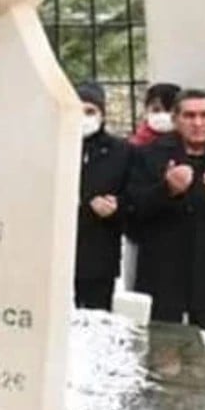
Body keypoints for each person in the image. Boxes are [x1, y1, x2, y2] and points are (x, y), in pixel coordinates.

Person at [128, 88, 205, 356]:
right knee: (160, 358)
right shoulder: (150, 154)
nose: (198, 123)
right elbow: (133, 211)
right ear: (176, 119)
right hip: (163, 275)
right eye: (190, 115)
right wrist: (167, 190)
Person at [73, 82, 131, 311]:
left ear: (102, 114)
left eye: (90, 111)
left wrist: (117, 207)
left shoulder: (121, 151)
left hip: (98, 253)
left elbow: (133, 198)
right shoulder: (54, 144)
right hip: (57, 251)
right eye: (78, 110)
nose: (84, 118)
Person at [129, 82, 180, 146]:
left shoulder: (191, 143)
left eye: (170, 111)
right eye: (156, 110)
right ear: (146, 110)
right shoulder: (134, 146)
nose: (163, 115)